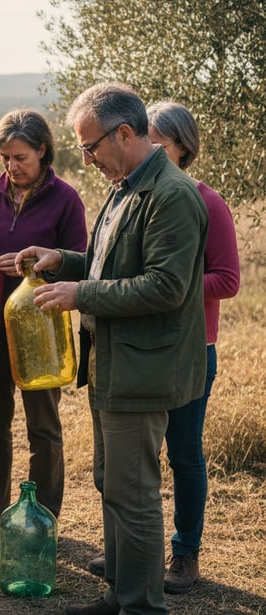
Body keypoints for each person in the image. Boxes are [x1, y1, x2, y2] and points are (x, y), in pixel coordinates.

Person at [15, 83, 208, 615]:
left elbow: (165, 287)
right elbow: (110, 266)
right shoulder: (126, 185)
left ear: (125, 133)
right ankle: (118, 594)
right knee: (112, 484)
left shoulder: (171, 195)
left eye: (90, 146)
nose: (86, 159)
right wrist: (63, 260)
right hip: (112, 364)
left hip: (143, 368)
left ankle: (142, 606)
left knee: (134, 492)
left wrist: (80, 294)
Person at [85, 102, 242, 596]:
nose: (149, 148)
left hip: (181, 347)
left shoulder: (192, 199)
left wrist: (94, 292)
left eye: (157, 141)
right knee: (127, 473)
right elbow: (119, 269)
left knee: (179, 457)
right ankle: (128, 570)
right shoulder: (126, 191)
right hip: (132, 350)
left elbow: (220, 280)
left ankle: (182, 554)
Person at [0, 109, 88, 538]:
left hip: (42, 328)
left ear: (42, 150)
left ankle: (41, 518)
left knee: (42, 427)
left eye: (21, 158)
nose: (12, 167)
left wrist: (39, 265)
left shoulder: (66, 199)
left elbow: (80, 262)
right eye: (6, 158)